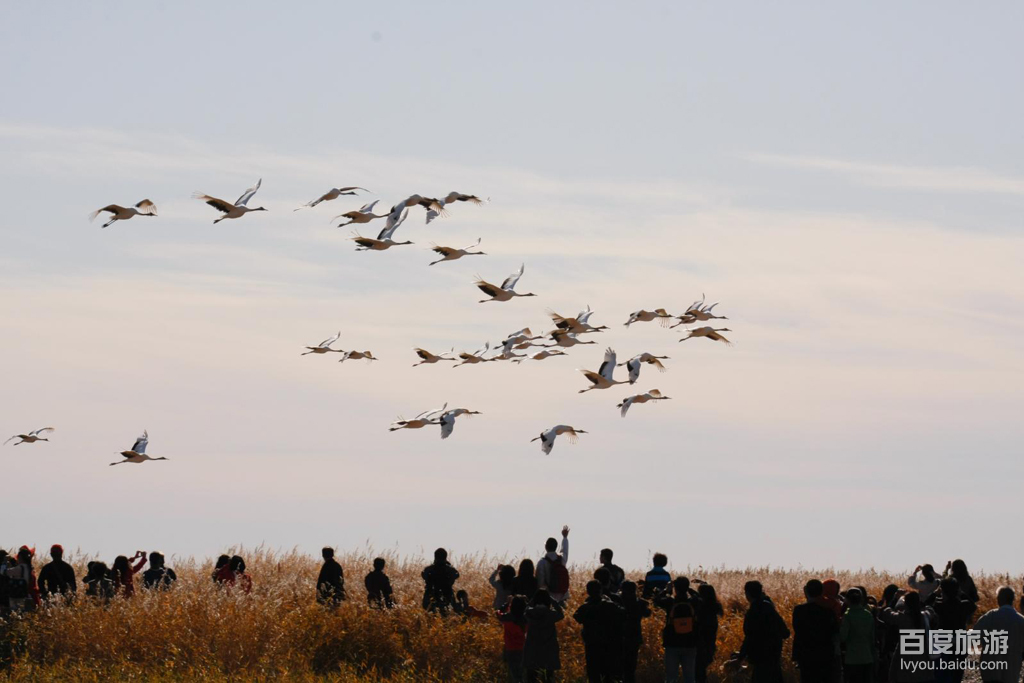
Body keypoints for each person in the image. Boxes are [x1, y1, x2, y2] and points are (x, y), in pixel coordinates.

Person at [731, 580, 789, 683]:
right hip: (774, 655)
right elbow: (785, 632)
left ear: (747, 594)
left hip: (760, 657)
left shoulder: (752, 612)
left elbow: (750, 637)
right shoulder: (769, 608)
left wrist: (741, 656)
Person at [573, 580, 626, 683]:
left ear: (588, 591)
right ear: (601, 590)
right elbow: (623, 614)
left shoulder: (585, 607)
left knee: (593, 674)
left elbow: (577, 617)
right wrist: (610, 601)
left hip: (591, 644)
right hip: (608, 644)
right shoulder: (608, 605)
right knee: (608, 674)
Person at [928, 577, 976, 683]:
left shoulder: (939, 606)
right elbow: (973, 605)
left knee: (942, 674)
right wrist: (961, 593)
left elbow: (925, 605)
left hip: (943, 644)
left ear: (943, 591)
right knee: (957, 675)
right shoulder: (963, 605)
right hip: (960, 644)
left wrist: (934, 594)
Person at [972, 586, 1024, 683]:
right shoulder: (1021, 620)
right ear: (1012, 599)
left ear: (999, 599)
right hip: (1011, 671)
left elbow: (974, 637)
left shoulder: (990, 616)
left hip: (991, 671)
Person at [880, 590, 934, 683]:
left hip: (904, 654)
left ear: (906, 604)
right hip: (922, 654)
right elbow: (930, 610)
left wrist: (896, 600)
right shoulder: (925, 616)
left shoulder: (902, 618)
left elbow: (886, 612)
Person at [791, 579, 838, 683]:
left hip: (805, 654)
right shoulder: (828, 611)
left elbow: (797, 629)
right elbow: (834, 630)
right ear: (822, 592)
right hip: (825, 653)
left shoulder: (799, 610)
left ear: (806, 591)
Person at [656, 577, 701, 683]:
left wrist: (666, 591)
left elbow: (656, 601)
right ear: (686, 587)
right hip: (690, 643)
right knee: (690, 678)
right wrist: (689, 589)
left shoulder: (670, 602)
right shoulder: (693, 602)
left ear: (675, 588)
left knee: (671, 678)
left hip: (672, 644)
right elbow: (700, 598)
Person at [524, 589, 564, 683]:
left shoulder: (530, 613)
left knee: (531, 678)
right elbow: (561, 614)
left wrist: (532, 601)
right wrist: (552, 600)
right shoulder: (552, 614)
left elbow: (525, 611)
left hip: (532, 650)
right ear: (548, 601)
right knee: (548, 678)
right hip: (548, 650)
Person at [840, 588, 876, 683]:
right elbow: (872, 636)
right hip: (867, 656)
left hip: (852, 658)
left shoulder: (847, 615)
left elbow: (843, 637)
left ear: (847, 599)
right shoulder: (868, 614)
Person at [619, 580, 651, 683]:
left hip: (619, 637)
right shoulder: (639, 603)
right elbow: (647, 613)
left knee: (619, 667)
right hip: (634, 637)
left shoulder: (618, 601)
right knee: (631, 667)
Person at [695, 583, 723, 683]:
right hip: (710, 643)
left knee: (698, 671)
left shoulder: (700, 607)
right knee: (702, 670)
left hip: (699, 643)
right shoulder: (715, 606)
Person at [497, 595, 529, 683]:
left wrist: (507, 603)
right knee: (522, 672)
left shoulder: (506, 617)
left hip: (510, 648)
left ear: (512, 605)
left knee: (514, 673)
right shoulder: (526, 619)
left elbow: (498, 612)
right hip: (523, 647)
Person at [536, 526, 570, 605]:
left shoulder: (542, 562)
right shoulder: (561, 559)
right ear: (556, 547)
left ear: (546, 547)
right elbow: (565, 551)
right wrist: (565, 538)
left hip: (549, 597)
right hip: (563, 596)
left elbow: (540, 583)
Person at [421, 547, 459, 615]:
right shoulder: (449, 569)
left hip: (431, 596)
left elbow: (423, 574)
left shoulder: (429, 569)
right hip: (447, 595)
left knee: (430, 613)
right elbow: (456, 575)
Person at [5, 546, 40, 612]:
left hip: (18, 596)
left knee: (16, 612)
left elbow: (6, 572)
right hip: (27, 595)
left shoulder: (20, 568)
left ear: (20, 557)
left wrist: (5, 563)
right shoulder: (29, 568)